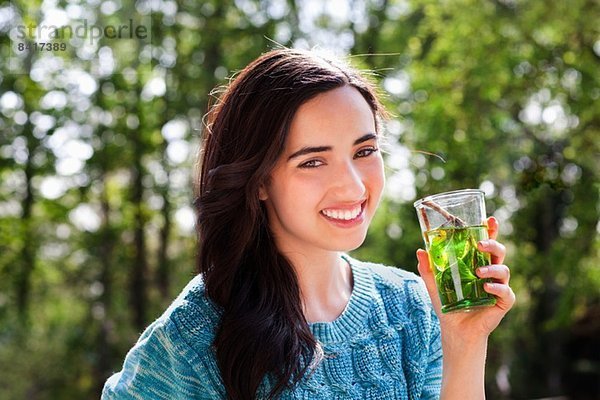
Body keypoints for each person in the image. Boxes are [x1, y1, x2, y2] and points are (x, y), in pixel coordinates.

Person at [102, 48, 515, 400]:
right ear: (259, 179)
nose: (353, 186)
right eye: (313, 161)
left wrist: (465, 340)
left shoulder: (411, 305)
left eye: (365, 151)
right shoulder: (198, 333)